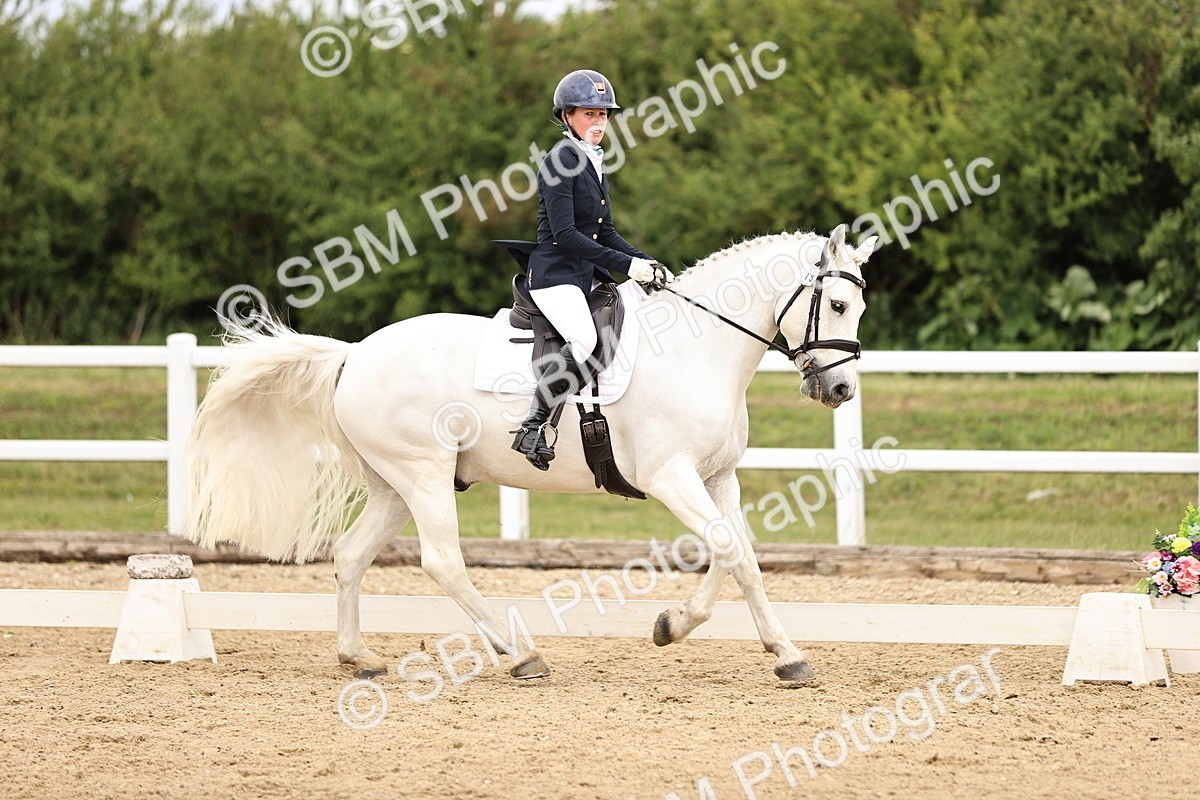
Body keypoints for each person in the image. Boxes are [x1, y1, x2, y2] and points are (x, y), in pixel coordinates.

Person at [510, 68, 673, 471]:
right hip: (554, 275)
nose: (599, 122)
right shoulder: (558, 161)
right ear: (567, 116)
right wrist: (627, 266)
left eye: (604, 114)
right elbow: (565, 235)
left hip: (583, 275)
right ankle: (532, 426)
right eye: (589, 114)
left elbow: (607, 232)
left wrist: (645, 262)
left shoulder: (592, 161)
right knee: (583, 339)